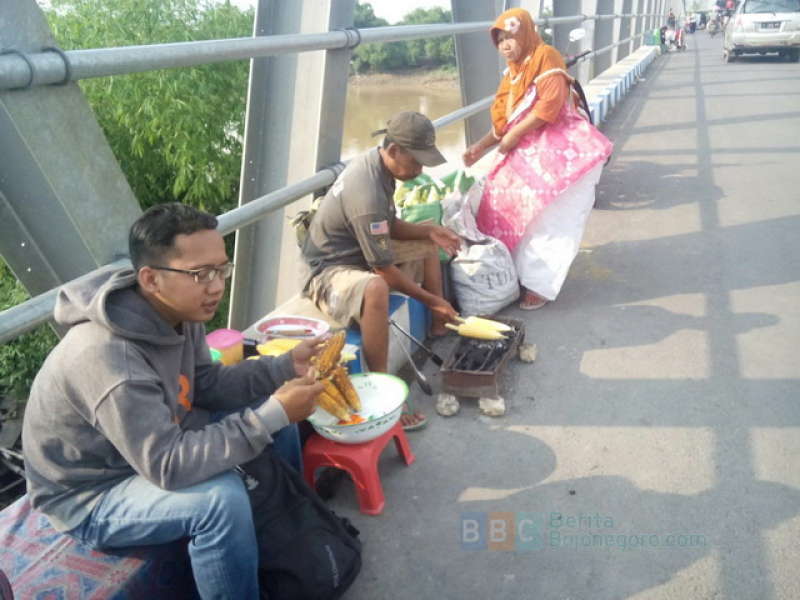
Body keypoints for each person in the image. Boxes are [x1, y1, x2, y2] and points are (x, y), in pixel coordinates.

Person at [22, 203, 325, 599]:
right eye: (200, 274)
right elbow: (167, 464)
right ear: (150, 279)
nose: (216, 286)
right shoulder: (110, 358)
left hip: (147, 443)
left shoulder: (179, 314)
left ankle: (295, 533)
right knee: (221, 501)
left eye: (221, 269)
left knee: (275, 417)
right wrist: (270, 414)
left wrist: (284, 367)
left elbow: (205, 384)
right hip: (91, 493)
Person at [301, 111, 460, 430]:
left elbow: (391, 227)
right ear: (393, 150)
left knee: (430, 236)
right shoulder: (368, 191)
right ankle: (383, 393)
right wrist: (431, 298)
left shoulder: (381, 168)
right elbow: (382, 269)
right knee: (375, 288)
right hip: (330, 270)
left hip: (361, 251)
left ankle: (438, 326)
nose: (419, 170)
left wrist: (429, 232)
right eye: (416, 162)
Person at [463, 8, 612, 310]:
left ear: (526, 33)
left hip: (562, 155)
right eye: (500, 39)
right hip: (531, 155)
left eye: (510, 37)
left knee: (551, 218)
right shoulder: (513, 73)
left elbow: (550, 106)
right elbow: (504, 121)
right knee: (509, 209)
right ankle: (519, 274)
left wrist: (514, 137)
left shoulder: (547, 56)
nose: (505, 45)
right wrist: (480, 147)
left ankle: (541, 285)